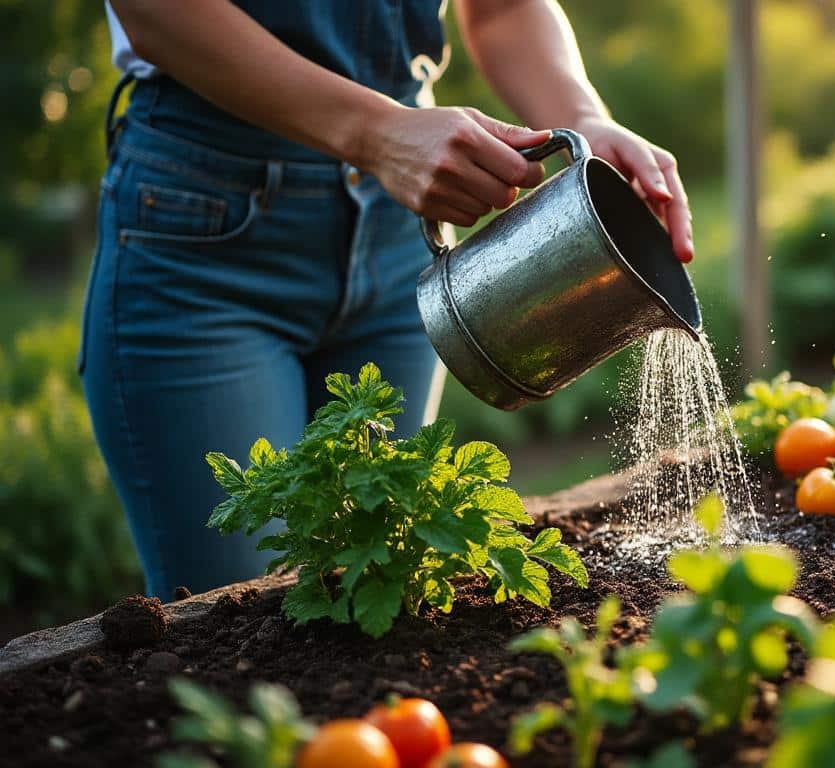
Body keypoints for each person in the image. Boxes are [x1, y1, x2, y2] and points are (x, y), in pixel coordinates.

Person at [86, 0, 694, 600]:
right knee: (236, 615)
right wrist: (376, 134)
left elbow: (502, 8)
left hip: (402, 220)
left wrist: (582, 117)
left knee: (379, 579)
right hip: (207, 229)